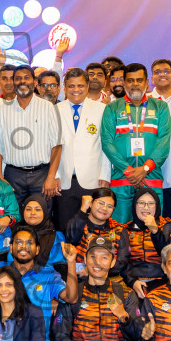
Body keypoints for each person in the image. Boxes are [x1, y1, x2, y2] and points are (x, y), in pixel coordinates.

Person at [99, 64, 171, 224]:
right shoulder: (112, 108)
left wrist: (144, 169)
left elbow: (164, 142)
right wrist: (129, 171)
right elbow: (107, 142)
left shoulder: (160, 107)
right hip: (122, 177)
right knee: (120, 228)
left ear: (147, 82)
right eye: (130, 80)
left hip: (151, 176)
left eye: (139, 80)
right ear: (124, 83)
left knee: (151, 229)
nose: (135, 84)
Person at [0, 65, 62, 210]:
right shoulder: (2, 110)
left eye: (26, 77)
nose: (22, 81)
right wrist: (0, 178)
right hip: (13, 175)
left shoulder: (47, 108)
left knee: (41, 218)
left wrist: (51, 177)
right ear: (13, 83)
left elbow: (57, 145)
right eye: (18, 78)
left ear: (35, 82)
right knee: (13, 217)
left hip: (42, 174)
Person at [52, 67, 111, 230]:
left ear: (87, 86)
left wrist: (105, 174)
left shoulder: (101, 109)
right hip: (64, 180)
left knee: (91, 228)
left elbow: (106, 144)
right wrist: (54, 174)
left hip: (93, 179)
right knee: (64, 227)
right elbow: (51, 146)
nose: (76, 90)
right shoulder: (55, 110)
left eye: (80, 86)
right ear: (64, 88)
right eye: (71, 86)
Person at [123, 188, 166, 286]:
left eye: (151, 203)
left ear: (157, 206)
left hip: (162, 283)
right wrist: (132, 282)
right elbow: (121, 261)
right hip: (132, 282)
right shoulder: (125, 230)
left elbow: (169, 255)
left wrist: (155, 231)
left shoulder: (166, 226)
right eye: (141, 203)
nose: (146, 207)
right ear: (134, 205)